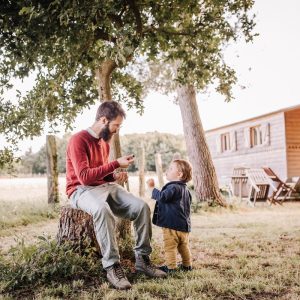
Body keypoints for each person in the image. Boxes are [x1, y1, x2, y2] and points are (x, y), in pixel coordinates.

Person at [66, 101, 167, 290]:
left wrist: (114, 175)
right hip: (80, 190)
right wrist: (115, 164)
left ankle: (143, 260)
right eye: (116, 125)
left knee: (142, 207)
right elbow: (85, 177)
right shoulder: (78, 140)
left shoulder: (104, 141)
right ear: (104, 120)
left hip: (105, 185)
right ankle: (112, 266)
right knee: (103, 211)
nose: (117, 130)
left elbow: (101, 172)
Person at [147, 159, 193, 273]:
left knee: (170, 247)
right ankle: (187, 265)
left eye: (171, 168)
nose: (167, 170)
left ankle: (171, 267)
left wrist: (152, 188)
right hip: (184, 226)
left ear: (179, 174)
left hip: (171, 226)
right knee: (183, 247)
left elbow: (162, 197)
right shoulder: (186, 190)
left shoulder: (173, 187)